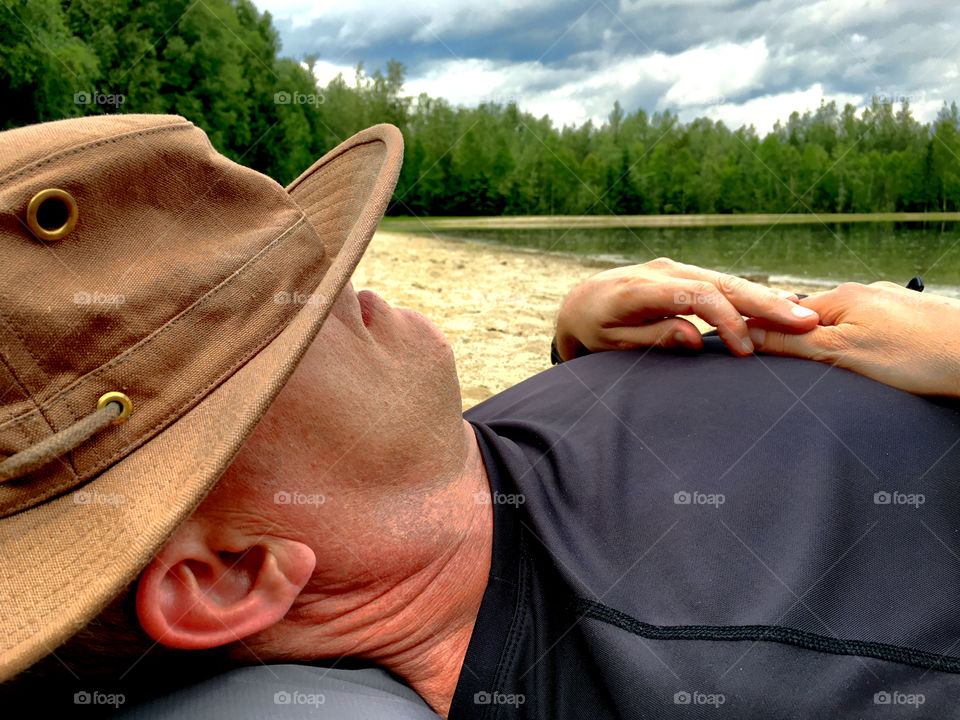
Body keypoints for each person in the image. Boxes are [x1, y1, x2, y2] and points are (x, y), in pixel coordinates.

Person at [1, 115, 959, 719]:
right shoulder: (780, 670)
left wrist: (577, 352)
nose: (339, 280)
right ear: (228, 575)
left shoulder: (418, 507)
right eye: (269, 321)